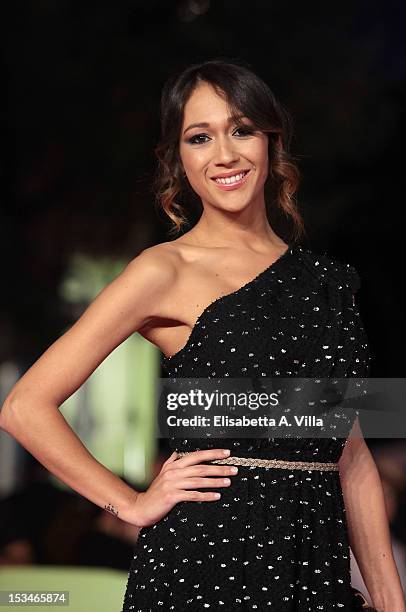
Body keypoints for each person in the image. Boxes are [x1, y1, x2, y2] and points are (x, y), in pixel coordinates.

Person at [0, 58, 404, 611]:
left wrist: (390, 602)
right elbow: (24, 407)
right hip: (204, 565)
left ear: (271, 141)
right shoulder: (162, 271)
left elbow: (352, 456)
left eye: (241, 130)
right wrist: (130, 503)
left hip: (313, 568)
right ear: (178, 160)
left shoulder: (328, 282)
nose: (225, 155)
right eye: (200, 137)